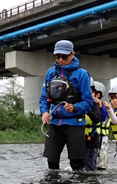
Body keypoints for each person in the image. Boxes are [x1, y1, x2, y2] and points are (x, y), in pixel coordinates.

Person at [39, 40, 94, 171]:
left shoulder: (82, 74)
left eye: (64, 57)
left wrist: (75, 108)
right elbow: (43, 98)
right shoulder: (50, 73)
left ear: (72, 54)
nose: (60, 60)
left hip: (75, 124)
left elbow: (88, 102)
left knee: (76, 164)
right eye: (57, 57)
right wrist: (44, 112)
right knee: (51, 161)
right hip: (55, 123)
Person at [83, 81, 108, 171]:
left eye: (96, 94)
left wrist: (100, 105)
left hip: (97, 136)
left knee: (98, 159)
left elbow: (103, 118)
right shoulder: (85, 104)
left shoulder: (101, 106)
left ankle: (97, 168)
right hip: (87, 135)